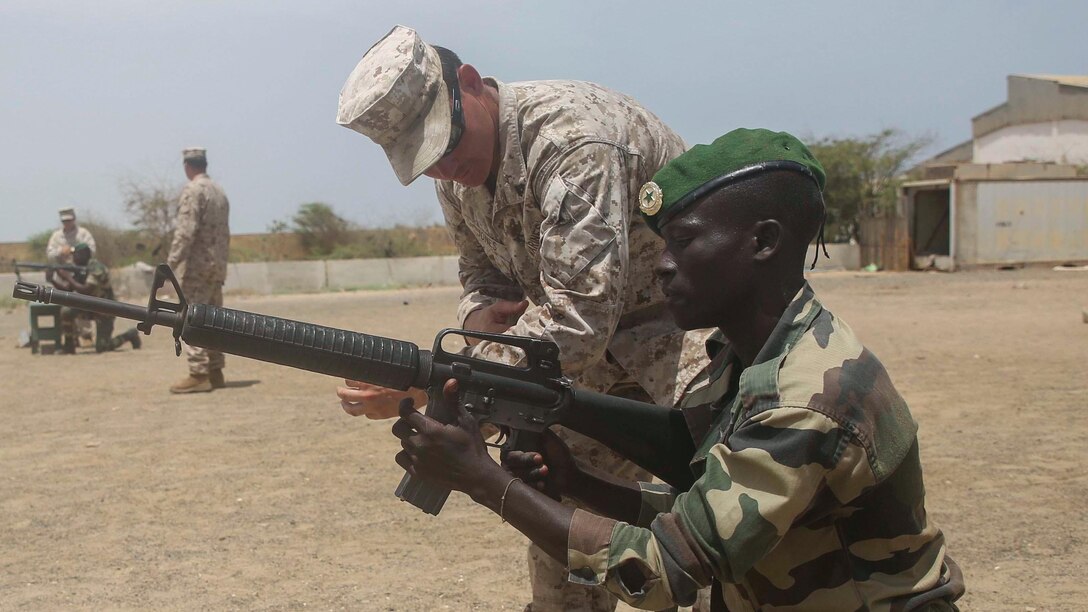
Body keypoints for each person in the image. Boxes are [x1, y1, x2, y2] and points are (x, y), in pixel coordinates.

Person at [392, 129, 966, 610]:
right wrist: (575, 475)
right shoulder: (753, 354)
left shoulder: (807, 395)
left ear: (763, 242)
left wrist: (485, 480)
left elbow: (664, 571)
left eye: (685, 243)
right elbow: (702, 500)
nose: (662, 266)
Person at [336, 25, 709, 611]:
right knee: (564, 541)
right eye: (425, 161)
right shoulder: (455, 169)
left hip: (687, 349)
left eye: (445, 144)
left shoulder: (572, 141)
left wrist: (439, 373)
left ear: (468, 84)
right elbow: (482, 274)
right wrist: (480, 319)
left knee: (728, 538)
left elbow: (579, 319)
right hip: (574, 368)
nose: (445, 169)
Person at [167, 147, 231, 393]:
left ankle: (198, 372)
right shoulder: (219, 191)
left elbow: (185, 231)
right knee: (216, 320)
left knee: (191, 318)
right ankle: (216, 370)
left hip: (197, 267)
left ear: (187, 166)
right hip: (217, 267)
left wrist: (170, 264)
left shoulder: (193, 191)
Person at [47, 243, 141, 353]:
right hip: (88, 306)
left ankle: (130, 335)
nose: (73, 258)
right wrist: (52, 280)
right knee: (66, 311)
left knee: (103, 347)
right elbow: (68, 290)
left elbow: (86, 289)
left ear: (85, 254)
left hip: (105, 309)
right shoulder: (80, 269)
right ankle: (69, 345)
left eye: (76, 255)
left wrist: (67, 276)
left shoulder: (97, 268)